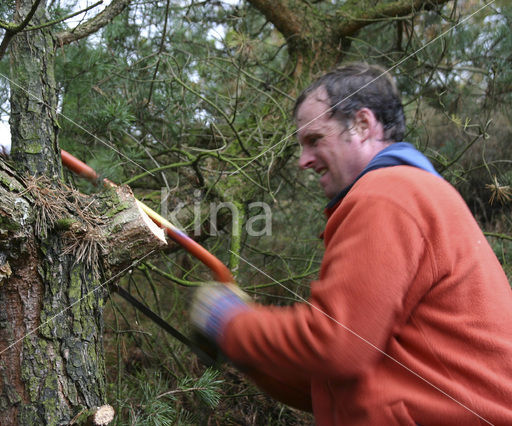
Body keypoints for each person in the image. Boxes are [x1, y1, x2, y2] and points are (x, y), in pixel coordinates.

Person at [190, 63, 512, 425]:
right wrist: (248, 351)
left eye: (315, 140)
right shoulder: (409, 193)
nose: (303, 161)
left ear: (362, 124)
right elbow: (333, 380)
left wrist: (230, 322)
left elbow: (338, 345)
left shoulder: (389, 193)